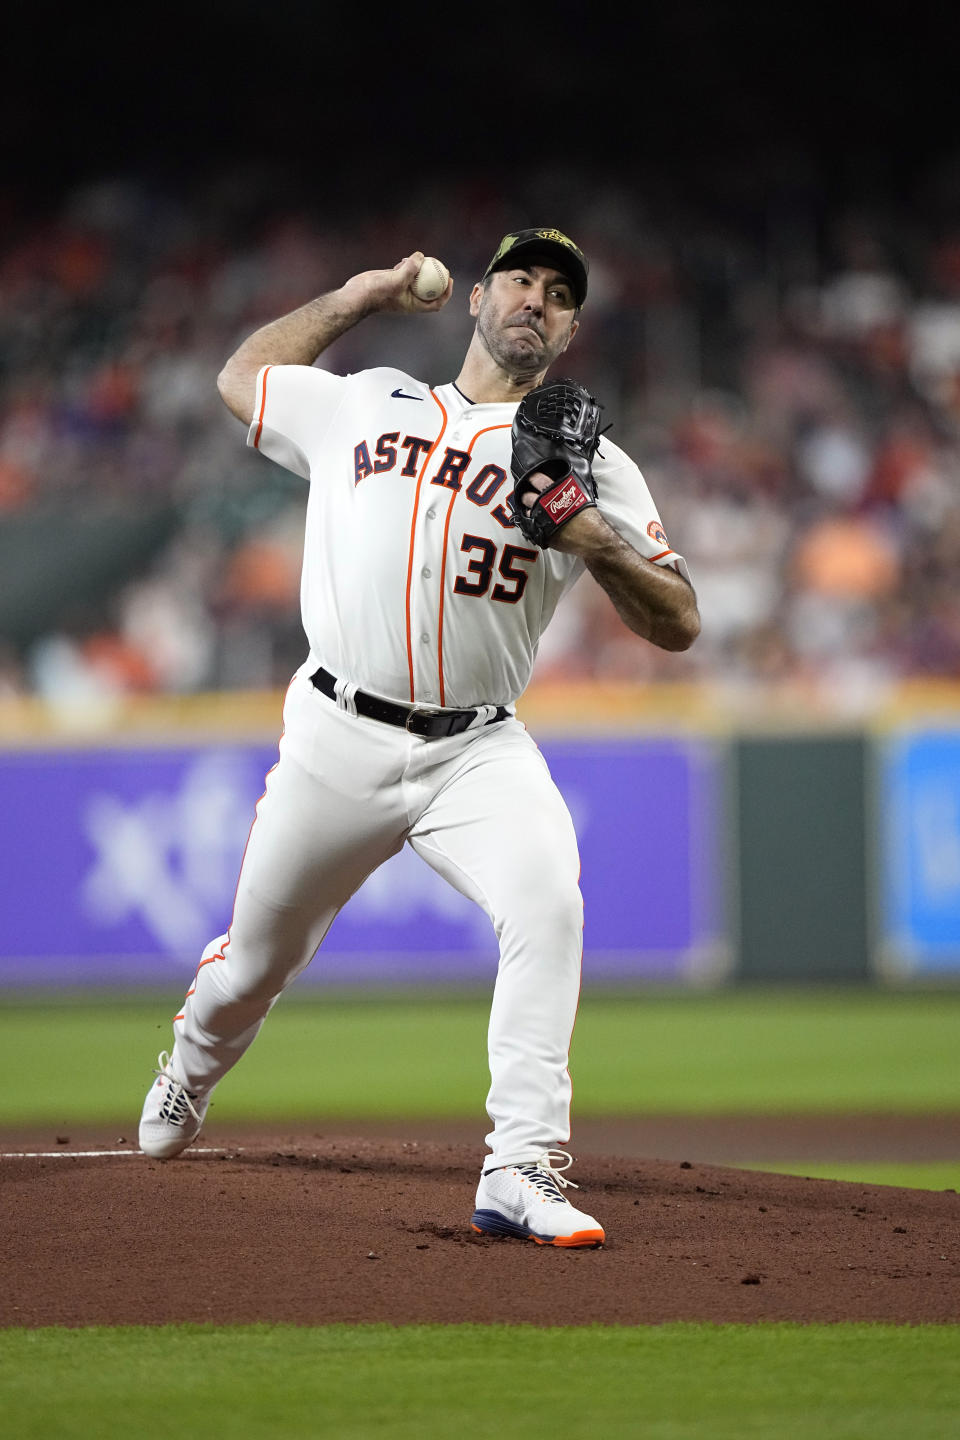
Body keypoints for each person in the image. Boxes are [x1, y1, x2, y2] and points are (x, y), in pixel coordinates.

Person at [139, 227, 700, 1247]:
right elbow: (242, 376)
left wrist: (593, 538)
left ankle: (521, 1167)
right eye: (523, 278)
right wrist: (360, 294)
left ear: (570, 331)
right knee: (255, 964)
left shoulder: (588, 460)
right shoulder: (368, 401)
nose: (539, 297)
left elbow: (679, 621)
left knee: (548, 905)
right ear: (479, 296)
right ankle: (189, 1069)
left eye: (561, 294)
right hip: (335, 737)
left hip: (475, 750)